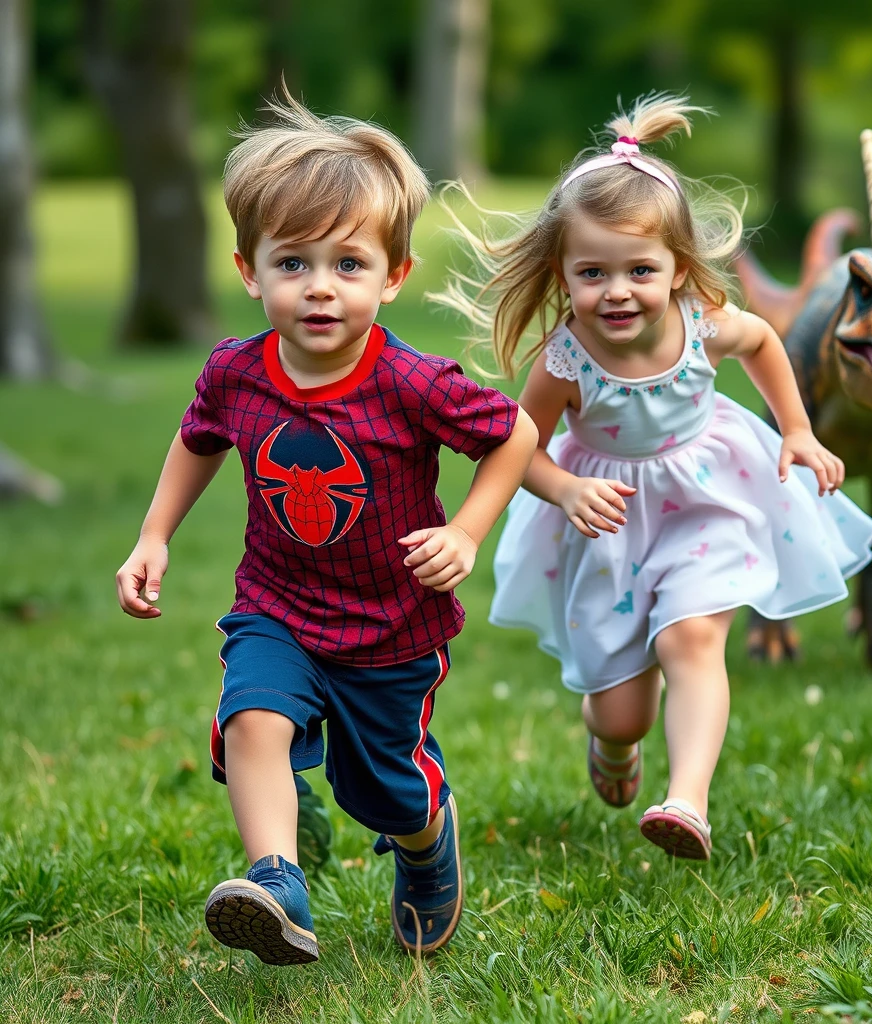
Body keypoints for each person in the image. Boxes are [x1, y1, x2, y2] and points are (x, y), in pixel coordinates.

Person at [115, 89, 538, 963]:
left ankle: (426, 849)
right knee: (252, 717)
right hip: (277, 605)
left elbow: (515, 434)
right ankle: (278, 882)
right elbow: (198, 441)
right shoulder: (236, 372)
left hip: (391, 628)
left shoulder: (413, 382)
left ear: (393, 276)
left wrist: (465, 533)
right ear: (248, 270)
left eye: (348, 265)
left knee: (386, 791)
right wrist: (154, 536)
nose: (319, 287)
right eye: (293, 262)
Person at [435, 94, 872, 861]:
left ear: (679, 269)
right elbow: (516, 446)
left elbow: (765, 341)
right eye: (592, 272)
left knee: (694, 639)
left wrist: (798, 428)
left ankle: (688, 801)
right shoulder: (565, 360)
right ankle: (614, 747)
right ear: (562, 273)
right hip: (610, 520)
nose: (617, 290)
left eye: (640, 269)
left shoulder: (701, 322)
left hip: (708, 500)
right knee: (621, 714)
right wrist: (566, 488)